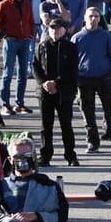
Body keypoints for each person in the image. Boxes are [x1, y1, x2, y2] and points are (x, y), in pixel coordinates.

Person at [74, 5, 111, 153]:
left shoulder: (106, 36)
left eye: (96, 16)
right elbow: (71, 60)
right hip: (84, 79)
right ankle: (92, 142)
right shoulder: (77, 38)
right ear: (85, 18)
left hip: (104, 78)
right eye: (90, 16)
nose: (93, 19)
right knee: (88, 113)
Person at [33, 15, 80, 166]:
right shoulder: (42, 46)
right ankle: (45, 155)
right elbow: (35, 67)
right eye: (52, 28)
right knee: (46, 126)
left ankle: (71, 155)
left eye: (58, 28)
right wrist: (44, 82)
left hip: (64, 91)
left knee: (66, 124)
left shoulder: (70, 47)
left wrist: (56, 83)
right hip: (45, 91)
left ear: (64, 30)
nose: (55, 31)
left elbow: (72, 71)